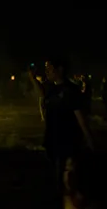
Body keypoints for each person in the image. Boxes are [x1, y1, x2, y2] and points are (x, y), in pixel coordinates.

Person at [40, 58, 95, 189]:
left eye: (50, 68)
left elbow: (81, 119)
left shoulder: (71, 91)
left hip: (66, 143)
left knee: (66, 179)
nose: (47, 71)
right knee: (55, 176)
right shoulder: (51, 89)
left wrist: (91, 141)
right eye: (46, 68)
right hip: (52, 140)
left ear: (60, 69)